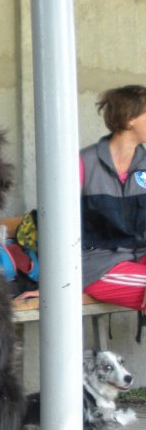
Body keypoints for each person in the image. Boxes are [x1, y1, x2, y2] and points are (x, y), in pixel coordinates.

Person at [81, 85, 146, 310]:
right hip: (97, 264)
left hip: (139, 256)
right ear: (129, 119)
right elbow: (58, 229)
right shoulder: (83, 164)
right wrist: (54, 282)